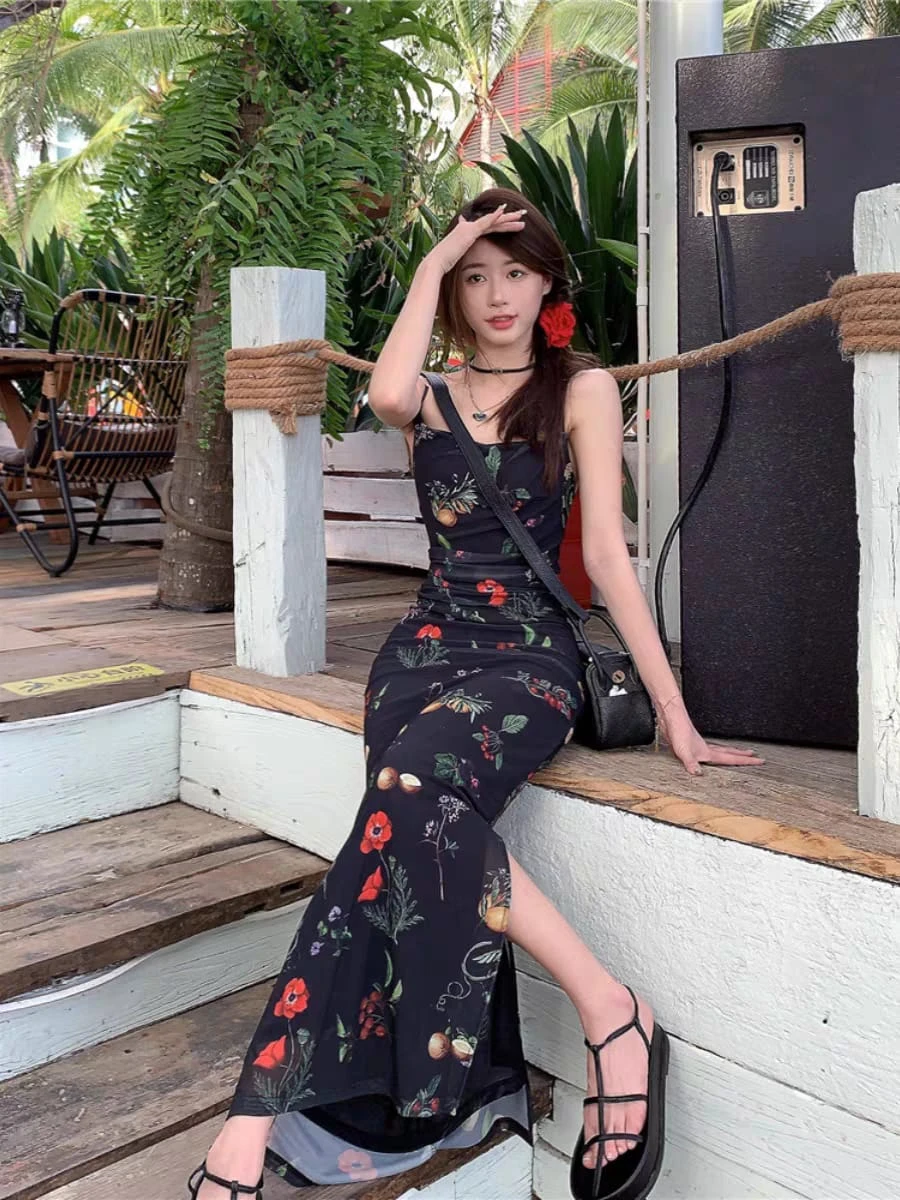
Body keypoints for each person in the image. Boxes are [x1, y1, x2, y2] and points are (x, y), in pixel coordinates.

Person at [188, 187, 765, 1200]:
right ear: (452, 291)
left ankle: (263, 1111)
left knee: (404, 801)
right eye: (475, 277)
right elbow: (386, 392)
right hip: (423, 651)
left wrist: (674, 712)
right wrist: (431, 259)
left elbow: (607, 557)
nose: (498, 294)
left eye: (517, 272)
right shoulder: (431, 393)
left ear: (547, 284)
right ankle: (597, 1022)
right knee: (402, 825)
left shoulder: (582, 388)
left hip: (528, 657)